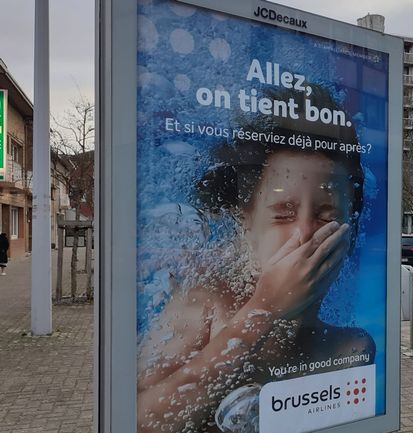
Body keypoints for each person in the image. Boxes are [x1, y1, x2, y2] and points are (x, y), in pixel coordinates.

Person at [136, 93, 374, 433]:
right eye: (283, 214)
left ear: (351, 234)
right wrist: (264, 310)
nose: (304, 231)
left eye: (327, 215)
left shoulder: (351, 345)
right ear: (245, 223)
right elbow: (140, 419)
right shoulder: (204, 303)